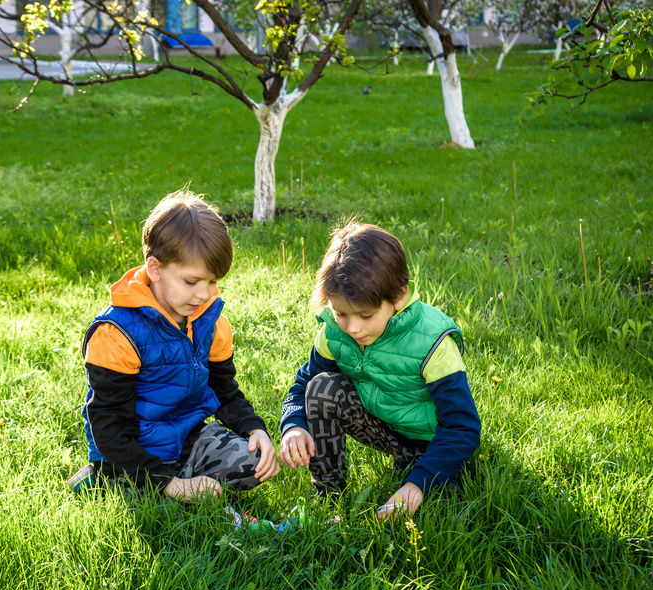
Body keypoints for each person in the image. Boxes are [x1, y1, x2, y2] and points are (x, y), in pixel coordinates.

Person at [81, 190, 279, 502]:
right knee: (166, 516)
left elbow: (225, 390)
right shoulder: (116, 334)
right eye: (191, 282)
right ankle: (105, 480)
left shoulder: (212, 323)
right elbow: (109, 427)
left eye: (212, 282)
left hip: (189, 438)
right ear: (156, 269)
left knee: (254, 464)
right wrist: (171, 485)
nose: (204, 294)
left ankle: (182, 479)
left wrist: (255, 431)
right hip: (131, 453)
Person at [279, 220, 480, 520]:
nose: (353, 327)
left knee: (442, 509)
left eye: (366, 315)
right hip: (384, 430)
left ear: (398, 297)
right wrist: (293, 424)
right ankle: (329, 497)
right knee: (321, 388)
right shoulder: (334, 332)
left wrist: (416, 486)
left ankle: (420, 471)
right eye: (341, 313)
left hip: (433, 442)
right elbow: (303, 385)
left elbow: (462, 427)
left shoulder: (432, 343)